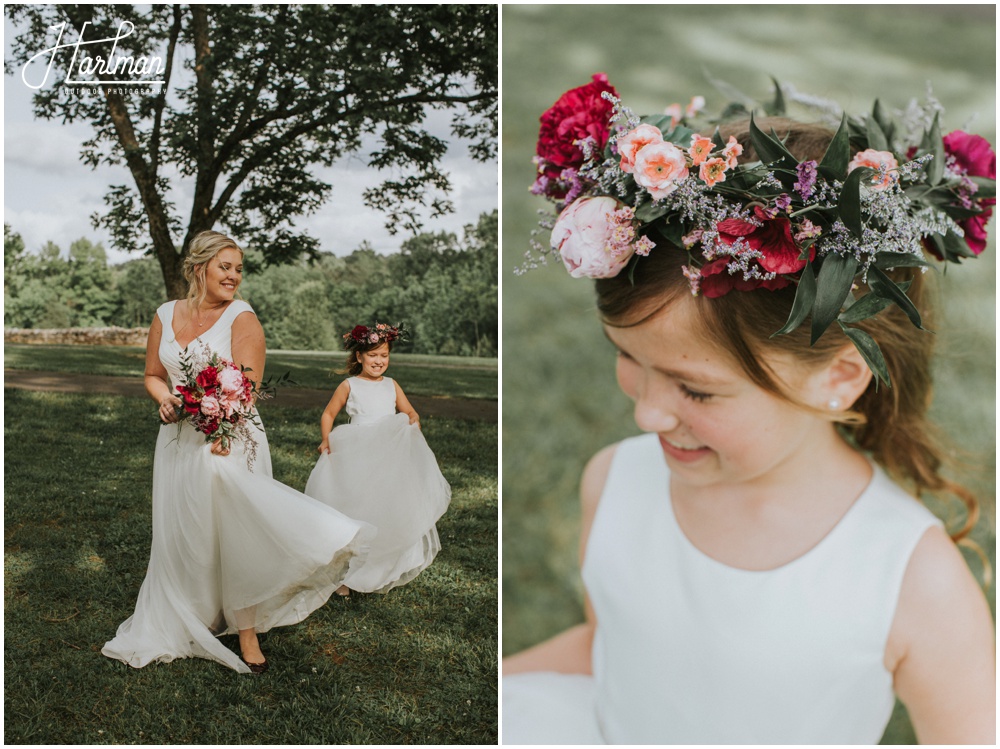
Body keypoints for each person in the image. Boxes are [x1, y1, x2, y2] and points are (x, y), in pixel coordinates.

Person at [503, 76, 996, 743]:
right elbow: (610, 648)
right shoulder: (613, 478)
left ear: (839, 377)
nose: (647, 415)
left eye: (695, 389)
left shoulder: (910, 579)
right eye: (630, 359)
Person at [102, 231, 374, 675]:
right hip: (177, 442)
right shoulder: (165, 314)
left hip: (228, 438)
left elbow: (246, 390)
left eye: (238, 268)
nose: (234, 276)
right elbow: (153, 374)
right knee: (187, 528)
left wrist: (219, 421)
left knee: (235, 528)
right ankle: (189, 609)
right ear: (199, 268)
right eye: (225, 266)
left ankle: (247, 629)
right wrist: (165, 400)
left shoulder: (242, 317)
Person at [304, 323, 451, 595]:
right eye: (373, 355)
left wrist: (412, 423)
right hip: (356, 453)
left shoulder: (392, 386)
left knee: (384, 506)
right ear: (359, 356)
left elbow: (410, 413)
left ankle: (381, 565)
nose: (379, 361)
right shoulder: (349, 385)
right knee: (355, 506)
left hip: (386, 456)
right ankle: (345, 576)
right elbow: (328, 414)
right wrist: (326, 438)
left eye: (384, 355)